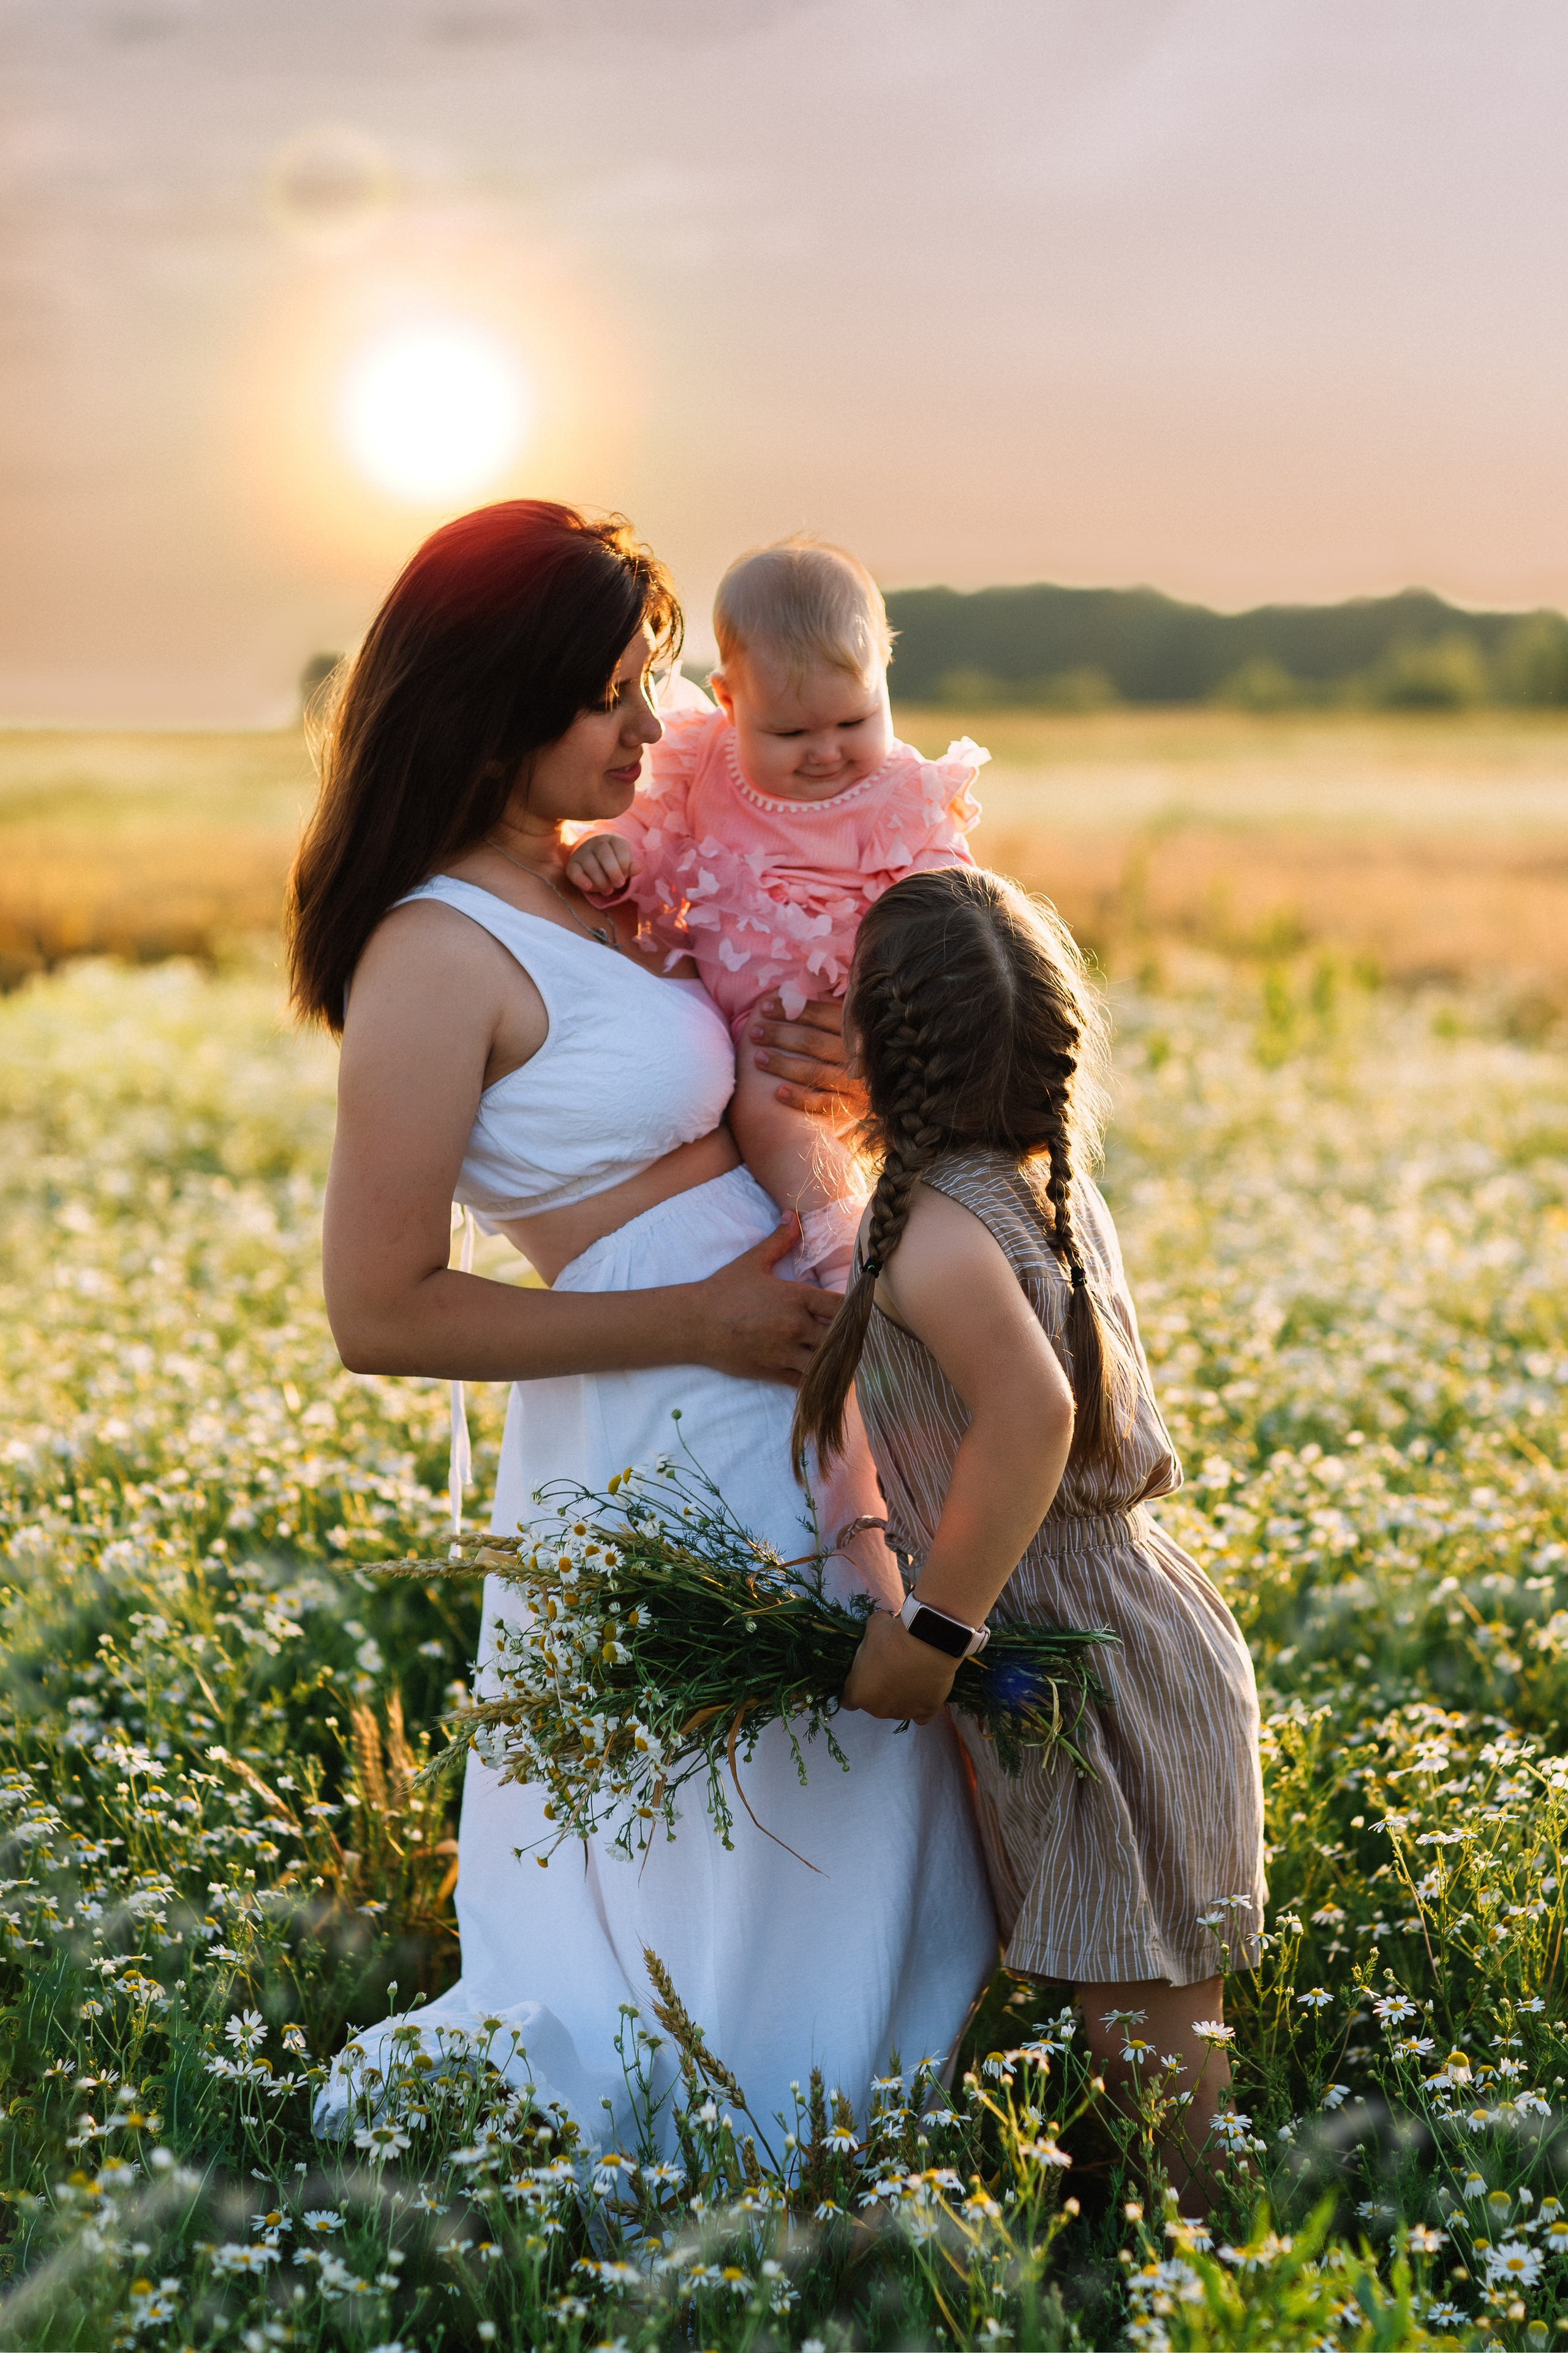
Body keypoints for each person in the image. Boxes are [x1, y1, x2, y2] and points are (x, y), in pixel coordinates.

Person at [288, 500, 997, 2147]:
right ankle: (720, 2156)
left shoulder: (613, 865)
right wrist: (702, 1319)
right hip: (660, 1395)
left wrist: (839, 1069)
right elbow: (376, 1311)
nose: (652, 725)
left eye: (652, 681)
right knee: (734, 1798)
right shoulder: (428, 949)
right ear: (492, 700)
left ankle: (853, 2141)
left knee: (857, 1765)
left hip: (780, 1367)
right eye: (611, 694)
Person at [792, 864, 1266, 2208]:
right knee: (1128, 2019)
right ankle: (1150, 2252)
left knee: (1157, 2057)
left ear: (880, 1046)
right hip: (1110, 1631)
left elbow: (1033, 1411)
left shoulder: (938, 1235)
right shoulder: (1031, 1187)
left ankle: (1209, 2274)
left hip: (1092, 1658)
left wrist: (932, 1634)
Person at [562, 535, 987, 1294]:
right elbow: (650, 832)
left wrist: (888, 1014)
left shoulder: (900, 794)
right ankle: (840, 1239)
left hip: (866, 1007)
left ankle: (847, 1253)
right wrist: (608, 855)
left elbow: (947, 914)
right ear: (728, 699)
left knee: (786, 1106)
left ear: (885, 673)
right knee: (753, 1108)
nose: (826, 752)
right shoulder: (699, 761)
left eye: (853, 722)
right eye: (790, 733)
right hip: (745, 1012)